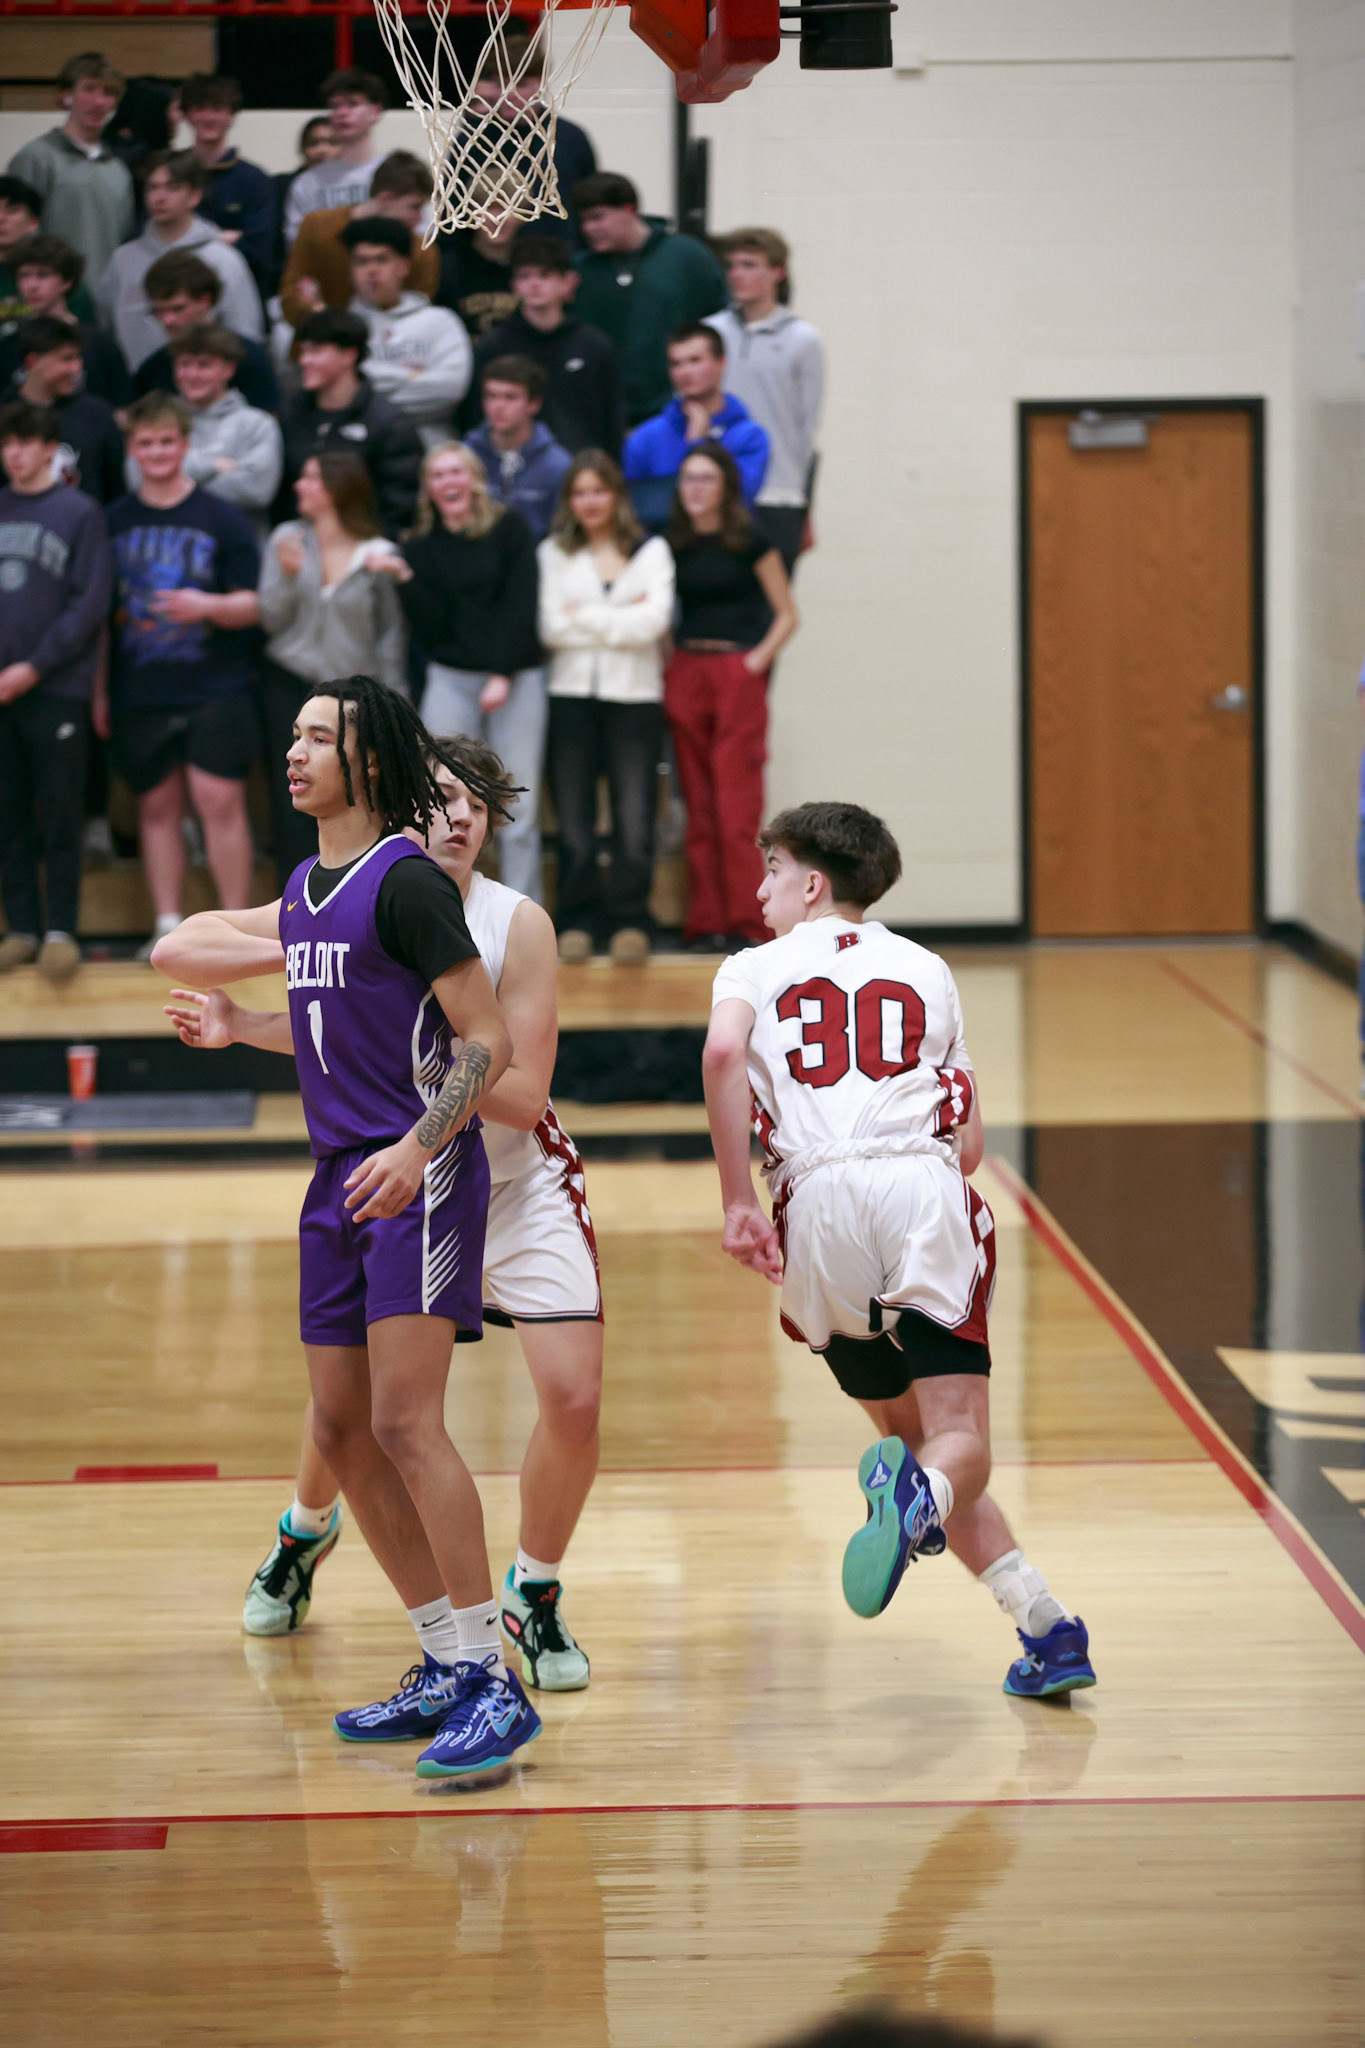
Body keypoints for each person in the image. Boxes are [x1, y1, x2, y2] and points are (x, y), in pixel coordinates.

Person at [152, 680, 542, 1784]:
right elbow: (335, 1023)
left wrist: (419, 1146)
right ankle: (444, 1657)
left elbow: (487, 1041)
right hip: (336, 1179)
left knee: (409, 1422)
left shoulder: (406, 882)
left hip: (417, 1173)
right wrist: (243, 1023)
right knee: (341, 1426)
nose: (294, 750)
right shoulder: (305, 888)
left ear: (367, 762)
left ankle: (492, 1680)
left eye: (317, 737)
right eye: (293, 734)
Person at [704, 802, 1099, 1704]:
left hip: (814, 1207)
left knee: (917, 1450)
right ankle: (939, 1523)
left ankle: (1046, 1628)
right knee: (956, 1447)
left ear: (811, 884)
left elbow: (723, 1051)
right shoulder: (927, 967)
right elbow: (968, 1146)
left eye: (771, 870)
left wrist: (735, 1202)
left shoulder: (751, 966)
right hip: (917, 1188)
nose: (760, 891)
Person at [233, 736, 602, 1696]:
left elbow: (522, 1094)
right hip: (407, 1176)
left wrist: (410, 1078)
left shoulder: (514, 923)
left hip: (506, 1181)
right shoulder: (361, 893)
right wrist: (254, 995)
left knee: (570, 1399)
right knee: (355, 1404)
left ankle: (532, 1592)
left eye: (476, 802)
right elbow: (216, 963)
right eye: (441, 796)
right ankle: (306, 1531)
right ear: (400, 803)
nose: (460, 815)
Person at [105, 392, 261, 955]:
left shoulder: (222, 517)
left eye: (166, 441)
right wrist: (99, 694)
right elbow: (96, 619)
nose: (157, 452)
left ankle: (237, 929)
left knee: (219, 802)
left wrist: (207, 606)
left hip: (215, 684)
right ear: (132, 448)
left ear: (185, 445)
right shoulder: (112, 520)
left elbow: (257, 604)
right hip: (139, 687)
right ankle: (167, 925)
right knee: (156, 807)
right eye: (146, 443)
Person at [538, 451, 673, 963]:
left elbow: (654, 622)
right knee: (573, 820)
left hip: (635, 700)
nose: (590, 501)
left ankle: (630, 919)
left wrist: (586, 616)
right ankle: (577, 918)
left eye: (599, 490)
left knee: (634, 817)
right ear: (569, 501)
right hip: (570, 697)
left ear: (616, 495)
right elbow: (551, 627)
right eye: (580, 492)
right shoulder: (554, 552)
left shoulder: (652, 550)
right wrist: (621, 616)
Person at [399, 442, 545, 900]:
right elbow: (431, 629)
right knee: (436, 798)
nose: (449, 482)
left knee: (518, 804)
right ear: (428, 488)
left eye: (456, 472)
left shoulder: (509, 527)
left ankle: (522, 912)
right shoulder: (418, 544)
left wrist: (501, 672)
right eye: (438, 475)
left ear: (474, 479)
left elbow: (521, 604)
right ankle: (439, 908)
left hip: (516, 676)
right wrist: (406, 581)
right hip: (450, 676)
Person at [665, 443, 796, 949]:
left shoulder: (750, 541)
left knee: (735, 808)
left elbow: (787, 614)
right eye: (688, 478)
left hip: (735, 672)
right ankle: (706, 922)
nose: (695, 488)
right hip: (687, 669)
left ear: (725, 487)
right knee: (698, 807)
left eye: (706, 479)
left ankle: (747, 922)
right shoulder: (672, 543)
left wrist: (754, 663)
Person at [0, 401, 113, 981]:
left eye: (24, 442)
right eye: (6, 443)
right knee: (8, 813)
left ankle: (61, 929)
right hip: (2, 693)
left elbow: (89, 605)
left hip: (57, 686)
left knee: (61, 808)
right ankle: (21, 928)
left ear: (49, 449)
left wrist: (33, 667)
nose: (13, 453)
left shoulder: (78, 512)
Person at [256, 452, 408, 879]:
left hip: (352, 696)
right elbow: (270, 619)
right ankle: (294, 898)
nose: (298, 485)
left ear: (338, 488)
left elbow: (391, 634)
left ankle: (355, 893)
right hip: (290, 682)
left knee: (355, 796)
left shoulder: (378, 553)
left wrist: (396, 702)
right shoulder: (287, 539)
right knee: (292, 796)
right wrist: (290, 576)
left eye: (310, 478)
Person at [707, 228, 824, 574]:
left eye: (749, 265)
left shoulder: (803, 339)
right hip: (718, 492)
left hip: (777, 493)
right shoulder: (711, 333)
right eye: (732, 266)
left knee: (773, 600)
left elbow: (806, 428)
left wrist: (802, 504)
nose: (737, 274)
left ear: (777, 272)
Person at [571, 172, 726, 425]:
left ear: (629, 210)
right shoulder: (579, 270)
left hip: (676, 410)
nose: (588, 228)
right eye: (583, 220)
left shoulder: (687, 256)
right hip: (602, 413)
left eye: (598, 217)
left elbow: (720, 326)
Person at [95, 148, 264, 371]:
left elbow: (245, 335)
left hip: (202, 384)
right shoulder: (123, 260)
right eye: (152, 188)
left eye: (172, 188)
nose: (159, 198)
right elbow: (105, 330)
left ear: (195, 196)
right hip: (137, 384)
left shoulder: (223, 260)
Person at [466, 234, 621, 453]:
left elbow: (611, 416)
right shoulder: (494, 346)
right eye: (524, 276)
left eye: (544, 275)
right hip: (512, 461)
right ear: (513, 285)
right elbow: (475, 414)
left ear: (568, 281)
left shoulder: (594, 345)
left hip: (583, 465)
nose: (534, 284)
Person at [276, 308, 423, 536]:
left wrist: (370, 549)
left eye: (316, 351)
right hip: (300, 545)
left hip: (365, 546)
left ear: (348, 355)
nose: (304, 361)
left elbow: (401, 509)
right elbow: (281, 496)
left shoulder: (389, 424)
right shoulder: (292, 415)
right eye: (303, 351)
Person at [126, 324, 281, 530]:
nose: (192, 374)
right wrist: (212, 466)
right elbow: (136, 480)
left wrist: (167, 481)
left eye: (204, 365)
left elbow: (257, 490)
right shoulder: (154, 421)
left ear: (228, 369)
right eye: (184, 364)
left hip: (233, 543)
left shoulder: (257, 424)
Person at [339, 216, 472, 448]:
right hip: (360, 449)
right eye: (361, 262)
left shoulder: (439, 321)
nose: (371, 270)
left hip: (433, 449)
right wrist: (412, 376)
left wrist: (365, 389)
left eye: (382, 259)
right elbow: (337, 395)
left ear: (403, 266)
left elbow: (450, 389)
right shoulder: (338, 327)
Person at [623, 321, 768, 532]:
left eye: (695, 360)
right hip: (659, 542)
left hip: (726, 543)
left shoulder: (750, 437)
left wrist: (698, 445)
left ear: (721, 362)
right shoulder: (646, 437)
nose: (684, 372)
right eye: (676, 364)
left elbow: (739, 500)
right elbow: (630, 506)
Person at [7, 53, 136, 285]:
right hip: (52, 295)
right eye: (89, 89)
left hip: (107, 295)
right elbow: (17, 237)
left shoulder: (118, 169)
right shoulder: (37, 157)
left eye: (108, 93)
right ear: (66, 95)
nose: (99, 101)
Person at [279, 151, 438, 332]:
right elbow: (291, 299)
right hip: (318, 339)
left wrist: (323, 311)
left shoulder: (421, 250)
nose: (420, 217)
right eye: (414, 207)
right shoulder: (317, 227)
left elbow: (422, 317)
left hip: (395, 342)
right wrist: (316, 312)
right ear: (385, 198)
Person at [134, 250, 279, 411]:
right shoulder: (152, 370)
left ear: (205, 301)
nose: (168, 320)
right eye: (159, 311)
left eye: (178, 309)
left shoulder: (249, 359)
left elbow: (268, 419)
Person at [5, 314, 124, 505]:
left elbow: (115, 491)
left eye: (78, 357)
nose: (76, 369)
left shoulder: (97, 414)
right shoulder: (5, 416)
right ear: (33, 361)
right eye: (66, 359)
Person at [1, 235, 131, 404]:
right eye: (24, 276)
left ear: (67, 281)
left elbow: (123, 407)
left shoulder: (99, 344)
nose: (31, 286)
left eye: (43, 275)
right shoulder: (9, 343)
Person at [176, 74, 276, 289]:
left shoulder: (254, 179)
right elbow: (155, 237)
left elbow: (261, 252)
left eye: (217, 108)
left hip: (238, 287)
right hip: (175, 287)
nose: (209, 117)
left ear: (232, 115)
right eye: (200, 109)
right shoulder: (171, 172)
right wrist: (222, 238)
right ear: (186, 115)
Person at [466, 355, 572, 541]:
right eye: (491, 396)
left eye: (510, 397)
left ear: (534, 404)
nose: (498, 406)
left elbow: (564, 534)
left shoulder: (558, 466)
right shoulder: (465, 457)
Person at [283, 71, 389, 247]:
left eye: (353, 104)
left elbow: (420, 235)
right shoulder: (307, 182)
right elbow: (297, 244)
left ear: (375, 111)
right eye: (335, 105)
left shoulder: (394, 174)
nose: (341, 113)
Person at [1, 180, 99, 335]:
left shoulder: (60, 276)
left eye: (11, 211)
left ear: (34, 221)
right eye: (24, 276)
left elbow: (85, 337)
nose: (1, 218)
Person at [434, 204, 521, 339]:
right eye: (488, 209)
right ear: (470, 214)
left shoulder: (536, 264)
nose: (497, 218)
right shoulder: (447, 266)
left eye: (506, 209)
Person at [269, 115, 335, 287]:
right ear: (303, 149)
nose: (322, 150)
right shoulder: (281, 186)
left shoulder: (352, 185)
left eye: (331, 142)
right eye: (314, 143)